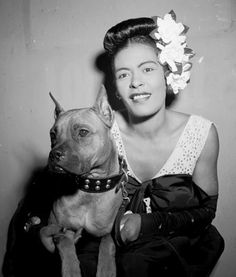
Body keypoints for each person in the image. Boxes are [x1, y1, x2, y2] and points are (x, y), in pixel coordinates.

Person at [2, 11, 224, 277]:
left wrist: (148, 223)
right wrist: (37, 227)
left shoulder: (201, 133)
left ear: (168, 71)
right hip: (100, 245)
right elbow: (48, 189)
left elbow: (206, 211)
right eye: (123, 74)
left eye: (148, 68)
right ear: (114, 89)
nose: (136, 82)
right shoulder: (101, 127)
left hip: (173, 247)